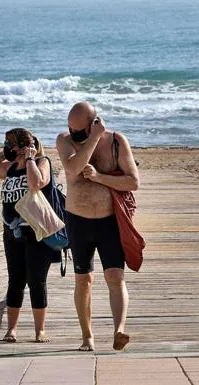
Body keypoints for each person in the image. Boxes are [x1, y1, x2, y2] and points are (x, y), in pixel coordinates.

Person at [56, 101, 139, 351]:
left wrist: (100, 177)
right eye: (71, 129)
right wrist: (91, 139)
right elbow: (73, 167)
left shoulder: (116, 142)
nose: (74, 135)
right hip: (78, 221)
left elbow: (133, 181)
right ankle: (87, 337)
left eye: (79, 131)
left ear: (94, 123)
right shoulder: (65, 141)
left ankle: (119, 330)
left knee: (115, 276)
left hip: (109, 221)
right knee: (84, 279)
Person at [0, 128, 53, 343]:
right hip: (12, 231)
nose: (15, 150)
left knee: (36, 280)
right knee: (15, 280)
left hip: (35, 230)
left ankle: (40, 331)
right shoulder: (9, 168)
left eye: (16, 145)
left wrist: (30, 159)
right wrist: (5, 154)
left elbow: (37, 183)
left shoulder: (42, 163)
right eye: (11, 146)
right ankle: (11, 329)